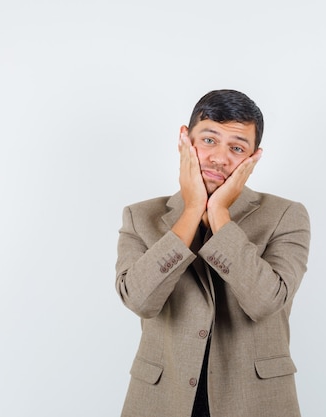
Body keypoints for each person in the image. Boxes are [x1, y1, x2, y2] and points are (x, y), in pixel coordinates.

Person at [115, 89, 310, 417]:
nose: (220, 158)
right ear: (184, 140)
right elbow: (139, 300)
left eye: (236, 147)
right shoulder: (140, 216)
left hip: (254, 400)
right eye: (208, 140)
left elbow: (265, 301)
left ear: (253, 157)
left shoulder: (285, 215)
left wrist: (219, 215)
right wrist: (192, 210)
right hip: (163, 400)